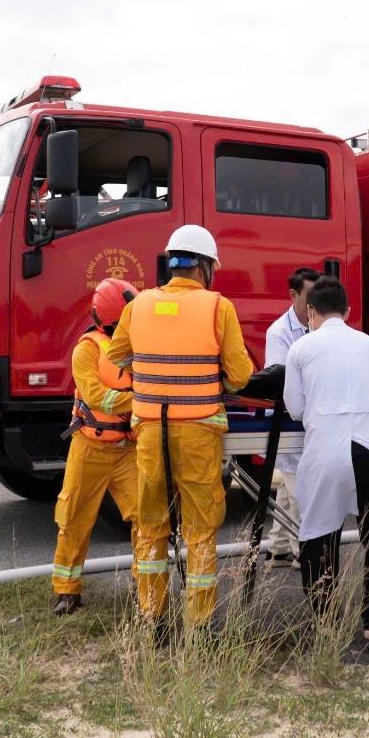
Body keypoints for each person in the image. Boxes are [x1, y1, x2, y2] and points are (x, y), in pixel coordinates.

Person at [108, 224, 254, 629]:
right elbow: (241, 376)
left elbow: (118, 356)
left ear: (171, 262)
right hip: (199, 431)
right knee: (200, 527)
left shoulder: (137, 306)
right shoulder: (217, 306)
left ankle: (150, 616)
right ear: (205, 267)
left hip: (151, 430)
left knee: (151, 524)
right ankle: (198, 624)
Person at [283, 276, 369, 651]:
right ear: (348, 311)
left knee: (318, 537)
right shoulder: (368, 345)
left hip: (324, 451)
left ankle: (325, 627)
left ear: (311, 311)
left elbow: (294, 408)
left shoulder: (301, 348)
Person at [50, 278, 141, 615]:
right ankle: (67, 591)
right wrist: (141, 401)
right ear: (110, 320)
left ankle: (144, 583)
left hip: (127, 448)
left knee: (146, 516)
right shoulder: (86, 350)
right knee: (74, 517)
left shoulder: (138, 346)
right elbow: (96, 396)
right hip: (89, 446)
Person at [262, 267, 322, 567]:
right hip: (290, 418)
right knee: (301, 488)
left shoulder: (320, 324)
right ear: (293, 295)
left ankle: (278, 547)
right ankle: (306, 554)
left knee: (289, 484)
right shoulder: (280, 333)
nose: (314, 304)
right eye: (309, 297)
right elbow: (281, 380)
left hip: (312, 416)